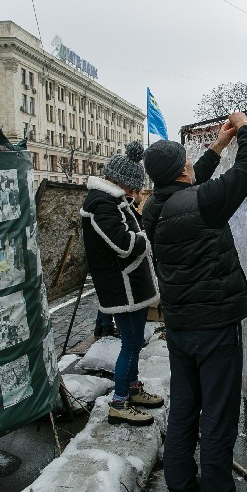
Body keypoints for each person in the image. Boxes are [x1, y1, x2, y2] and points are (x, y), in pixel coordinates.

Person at [141, 111, 247, 492]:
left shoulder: (153, 209)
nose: (194, 167)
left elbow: (188, 190)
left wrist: (217, 146)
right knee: (217, 414)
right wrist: (245, 129)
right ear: (181, 171)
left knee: (184, 409)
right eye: (188, 163)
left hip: (180, 327)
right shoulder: (203, 205)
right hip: (214, 327)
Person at [80, 141, 163, 426]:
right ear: (121, 182)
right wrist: (145, 239)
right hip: (122, 287)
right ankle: (118, 402)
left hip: (130, 286)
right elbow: (125, 244)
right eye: (133, 188)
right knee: (130, 344)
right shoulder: (101, 203)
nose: (135, 193)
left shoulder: (112, 201)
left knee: (135, 342)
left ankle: (133, 388)